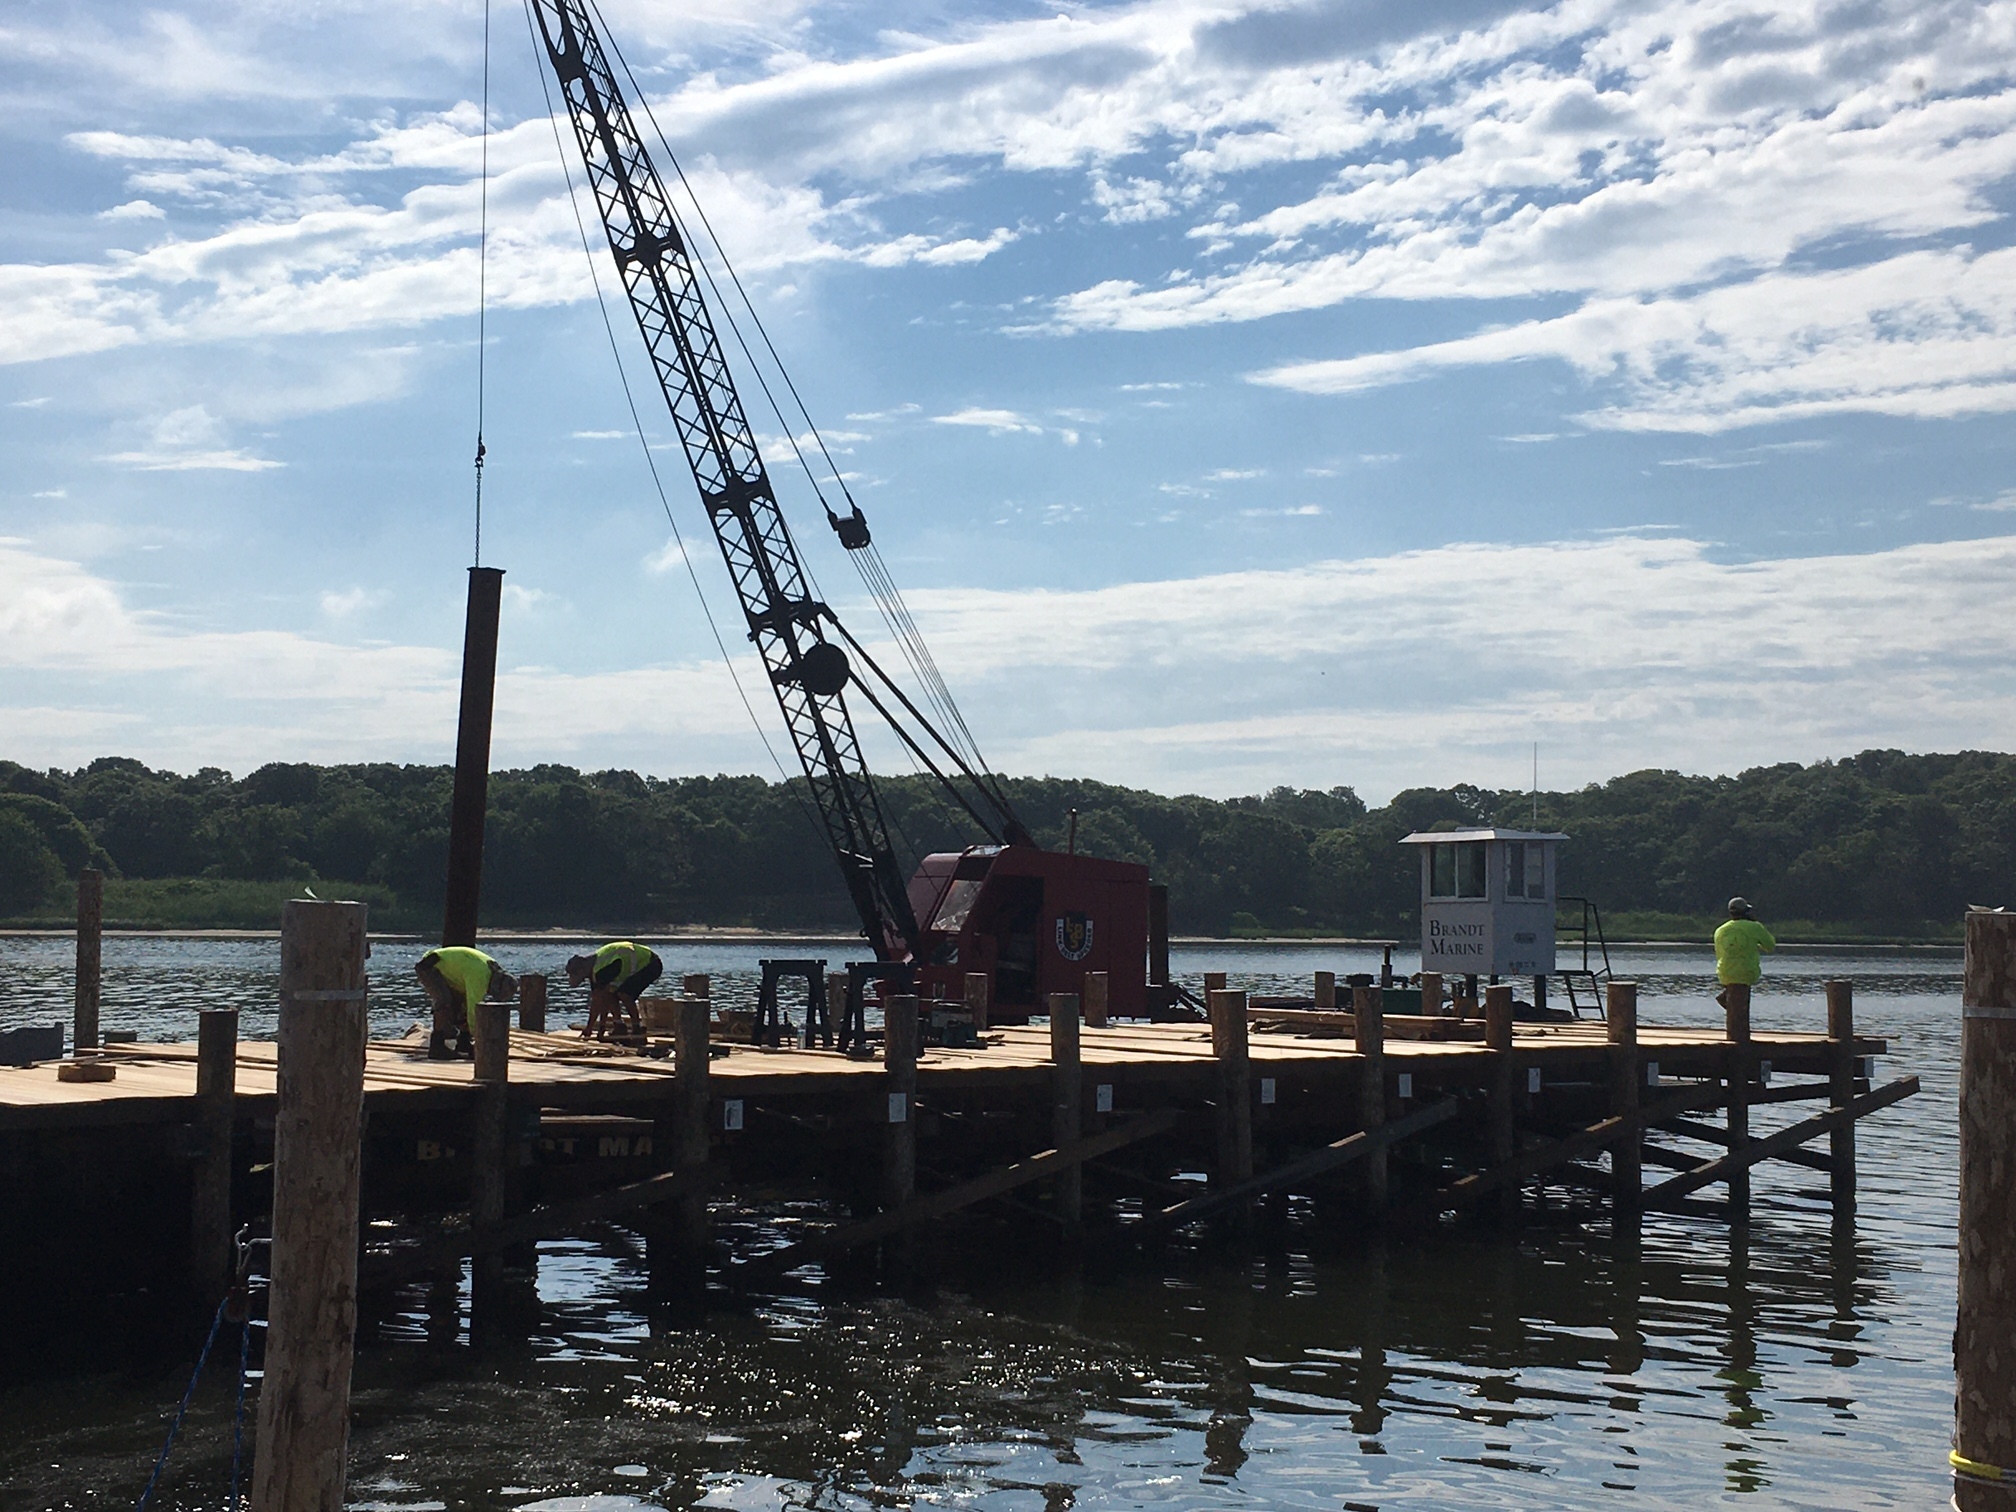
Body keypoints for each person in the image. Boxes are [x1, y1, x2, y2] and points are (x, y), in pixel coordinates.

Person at [415, 945, 518, 1060]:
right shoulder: (480, 979)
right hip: (429, 966)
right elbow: (473, 1010)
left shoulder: (491, 970)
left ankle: (463, 1043)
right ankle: (437, 1046)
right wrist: (479, 1038)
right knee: (444, 1001)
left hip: (447, 965)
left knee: (461, 1003)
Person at [566, 941, 663, 1041]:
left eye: (575, 975)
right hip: (634, 964)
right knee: (611, 993)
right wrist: (601, 1027)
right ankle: (619, 1025)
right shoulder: (595, 968)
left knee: (624, 994)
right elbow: (602, 999)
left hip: (651, 964)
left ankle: (637, 1027)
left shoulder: (602, 970)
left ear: (582, 969)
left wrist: (590, 1028)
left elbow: (597, 1003)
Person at [1713, 896, 1776, 1007]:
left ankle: (1728, 998)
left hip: (1724, 974)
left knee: (1735, 1003)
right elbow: (1770, 946)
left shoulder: (1720, 930)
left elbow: (1719, 953)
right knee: (1739, 1007)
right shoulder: (1755, 927)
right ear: (1746, 912)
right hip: (1747, 973)